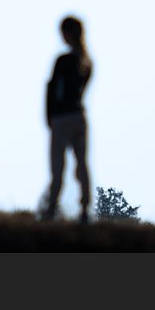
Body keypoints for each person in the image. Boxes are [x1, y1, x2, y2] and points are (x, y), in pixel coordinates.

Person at [42, 15, 93, 223]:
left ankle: (52, 207)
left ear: (68, 33)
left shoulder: (63, 61)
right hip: (79, 116)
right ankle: (84, 209)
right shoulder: (87, 62)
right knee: (81, 164)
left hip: (62, 118)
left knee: (57, 166)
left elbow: (51, 89)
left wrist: (49, 116)